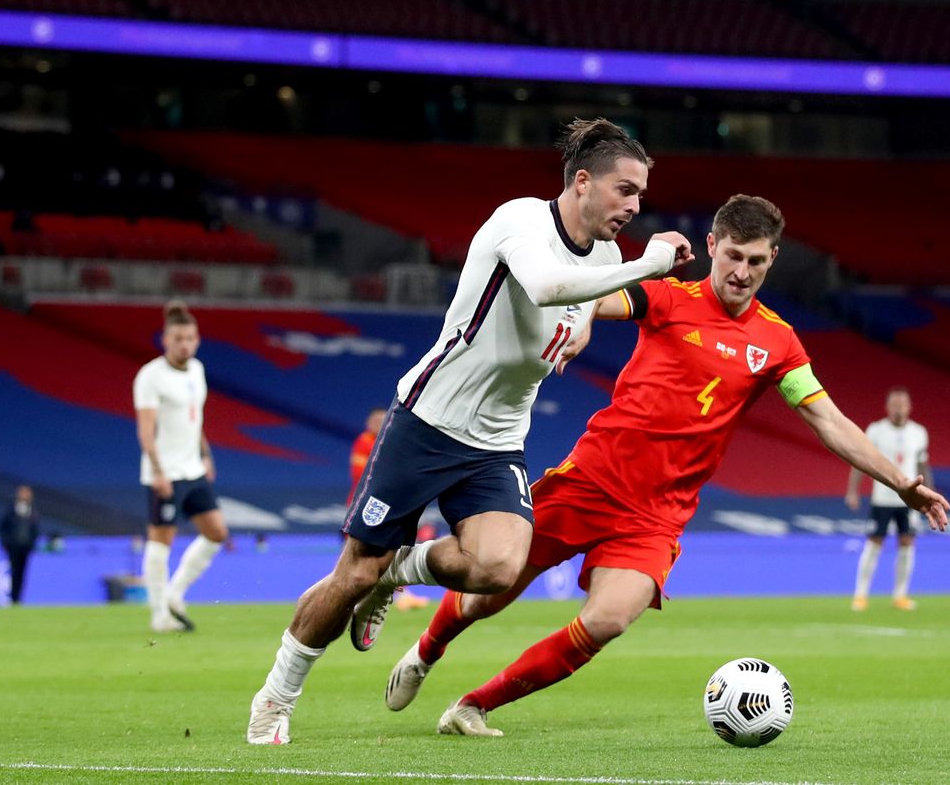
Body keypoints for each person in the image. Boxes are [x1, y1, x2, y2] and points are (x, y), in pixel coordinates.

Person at [377, 194, 950, 737]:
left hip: (658, 514)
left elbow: (828, 421)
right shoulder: (668, 297)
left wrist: (901, 482)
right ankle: (427, 649)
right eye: (731, 255)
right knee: (486, 594)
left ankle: (473, 706)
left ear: (772, 258)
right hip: (592, 480)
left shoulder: (779, 343)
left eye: (755, 260)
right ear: (713, 245)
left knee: (608, 620)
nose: (741, 271)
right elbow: (595, 298)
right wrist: (577, 324)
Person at [247, 117, 694, 744]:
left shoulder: (608, 256)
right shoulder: (521, 221)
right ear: (584, 181)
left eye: (641, 195)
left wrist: (589, 321)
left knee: (498, 568)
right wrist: (649, 266)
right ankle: (275, 698)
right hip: (429, 420)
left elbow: (581, 304)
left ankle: (403, 568)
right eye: (626, 190)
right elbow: (546, 287)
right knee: (353, 573)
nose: (635, 206)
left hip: (497, 441)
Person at [133, 299, 229, 633]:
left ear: (197, 339)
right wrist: (157, 471)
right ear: (165, 340)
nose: (185, 344)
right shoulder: (150, 376)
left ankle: (175, 594)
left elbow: (195, 419)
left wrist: (206, 454)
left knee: (216, 532)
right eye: (178, 339)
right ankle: (159, 614)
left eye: (190, 338)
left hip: (193, 468)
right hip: (166, 474)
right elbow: (146, 430)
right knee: (161, 540)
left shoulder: (198, 370)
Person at [844, 387, 932, 612]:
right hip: (882, 497)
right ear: (887, 407)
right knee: (875, 543)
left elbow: (923, 465)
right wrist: (853, 490)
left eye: (902, 405)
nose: (898, 409)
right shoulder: (876, 430)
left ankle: (900, 596)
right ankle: (861, 595)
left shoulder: (919, 432)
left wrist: (930, 493)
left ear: (909, 407)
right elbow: (861, 460)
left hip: (909, 500)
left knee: (907, 543)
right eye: (894, 405)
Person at [349, 407, 428, 612]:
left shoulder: (394, 441)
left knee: (392, 550)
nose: (380, 424)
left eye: (384, 420)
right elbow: (363, 474)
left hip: (390, 504)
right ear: (369, 423)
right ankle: (353, 595)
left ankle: (401, 595)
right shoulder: (365, 441)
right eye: (376, 421)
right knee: (365, 554)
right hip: (369, 507)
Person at [0, 485, 40, 605]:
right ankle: (13, 598)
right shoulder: (11, 509)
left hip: (26, 548)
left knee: (22, 573)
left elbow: (35, 529)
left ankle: (18, 599)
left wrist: (32, 544)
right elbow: (2, 527)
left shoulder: (32, 510)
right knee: (14, 572)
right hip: (13, 547)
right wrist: (6, 543)